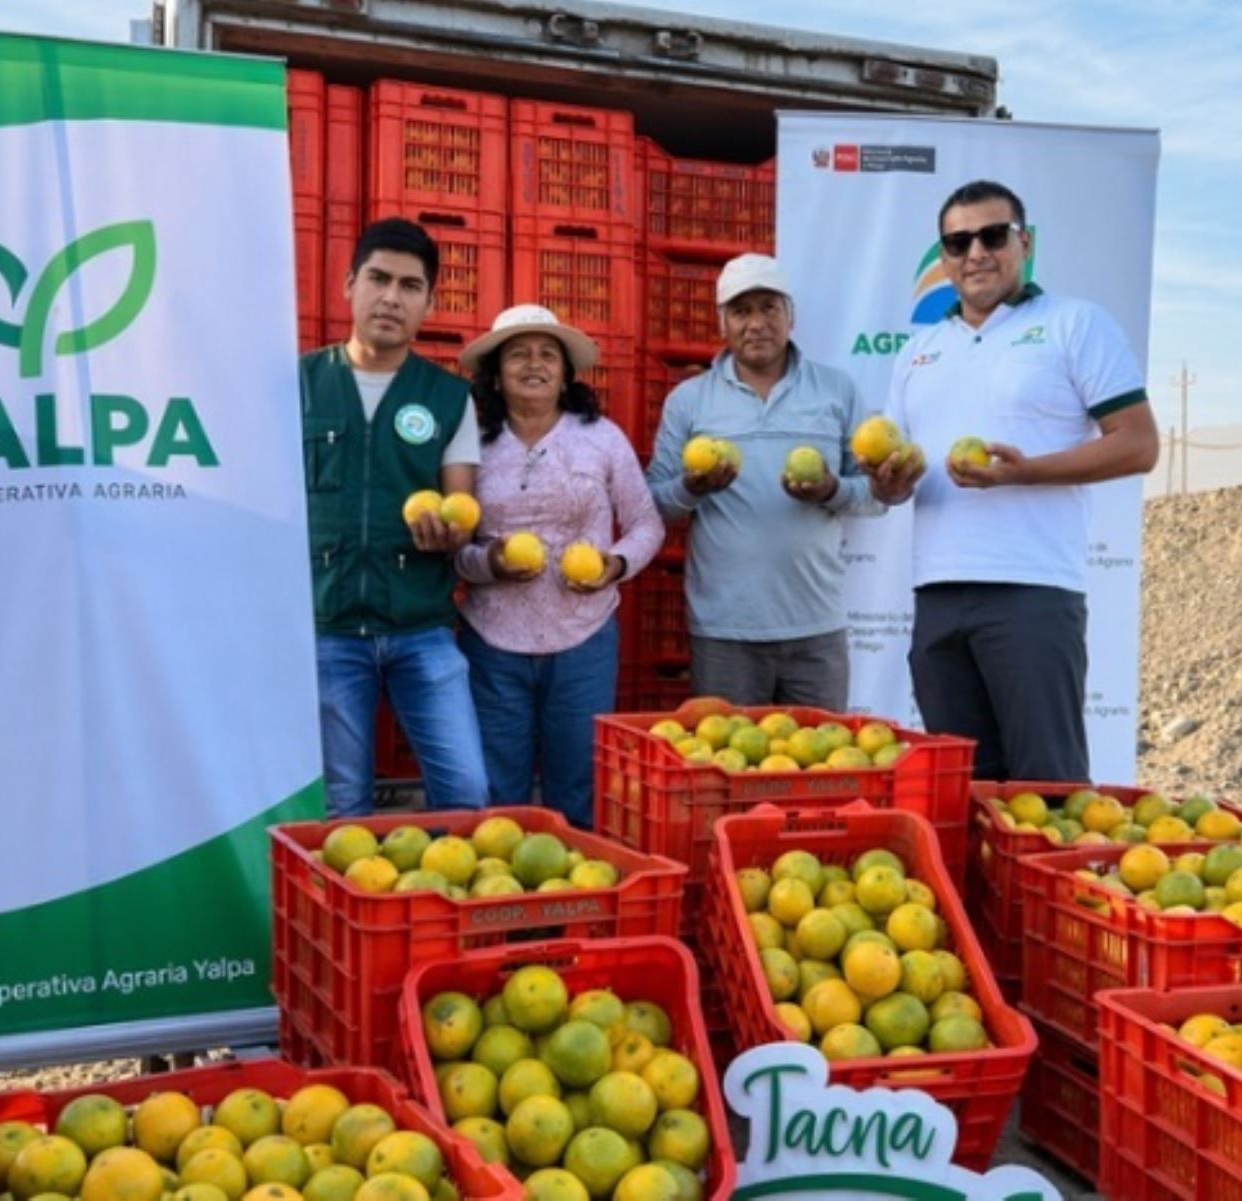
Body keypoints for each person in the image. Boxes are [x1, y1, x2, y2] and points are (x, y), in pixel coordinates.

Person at [864, 179, 1160, 780]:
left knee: (1045, 787)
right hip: (938, 592)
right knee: (959, 791)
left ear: (1022, 243)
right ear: (943, 258)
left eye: (992, 236)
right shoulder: (919, 351)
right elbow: (893, 479)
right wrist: (889, 483)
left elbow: (1138, 443)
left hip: (1032, 590)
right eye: (958, 241)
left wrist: (1022, 474)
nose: (975, 253)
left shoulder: (1074, 324)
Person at [299, 217, 490, 816]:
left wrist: (453, 532)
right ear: (349, 284)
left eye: (410, 286)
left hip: (421, 628)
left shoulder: (448, 397)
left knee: (465, 796)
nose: (391, 297)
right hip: (327, 628)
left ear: (430, 302)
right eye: (378, 279)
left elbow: (461, 502)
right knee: (342, 806)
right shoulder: (296, 384)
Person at [454, 306, 664, 828]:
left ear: (566, 373)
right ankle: (506, 903)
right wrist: (490, 563)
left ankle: (572, 901)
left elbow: (646, 524)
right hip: (493, 643)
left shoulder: (601, 438)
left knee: (578, 790)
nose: (534, 364)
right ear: (496, 374)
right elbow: (455, 546)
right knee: (499, 793)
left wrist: (613, 566)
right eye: (518, 354)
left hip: (583, 642)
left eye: (548, 354)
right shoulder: (472, 446)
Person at [645, 254, 881, 709]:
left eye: (769, 308)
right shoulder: (689, 401)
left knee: (825, 772)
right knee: (726, 771)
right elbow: (656, 502)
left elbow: (875, 497)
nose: (756, 323)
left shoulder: (836, 390)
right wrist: (695, 488)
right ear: (722, 324)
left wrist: (832, 490)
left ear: (790, 316)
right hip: (724, 631)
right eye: (741, 310)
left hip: (817, 628)